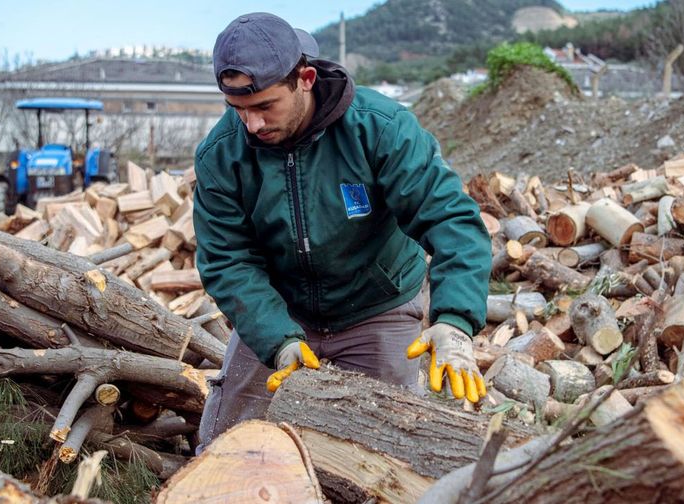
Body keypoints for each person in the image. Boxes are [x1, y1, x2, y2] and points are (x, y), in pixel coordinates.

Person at [192, 12, 491, 448]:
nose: (252, 125)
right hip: (280, 308)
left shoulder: (381, 129)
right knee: (227, 441)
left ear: (306, 79)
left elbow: (451, 220)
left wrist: (455, 321)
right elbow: (227, 261)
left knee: (394, 449)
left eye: (263, 107)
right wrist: (277, 340)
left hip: (376, 306)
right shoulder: (222, 155)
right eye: (238, 110)